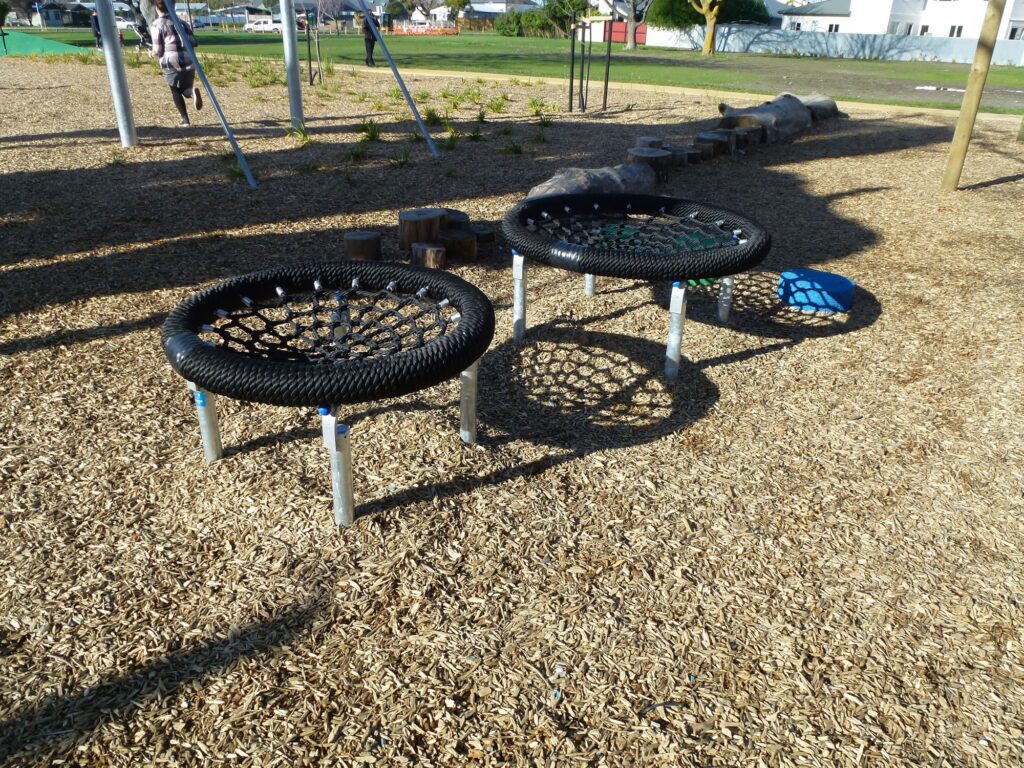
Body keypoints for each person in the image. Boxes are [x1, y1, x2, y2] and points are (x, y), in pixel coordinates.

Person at [149, 0, 202, 127]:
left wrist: (150, 53)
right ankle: (192, 93)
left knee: (175, 89)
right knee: (185, 89)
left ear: (157, 8)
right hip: (189, 60)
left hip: (171, 61)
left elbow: (157, 50)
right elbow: (193, 42)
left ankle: (185, 119)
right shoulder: (183, 23)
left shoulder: (157, 24)